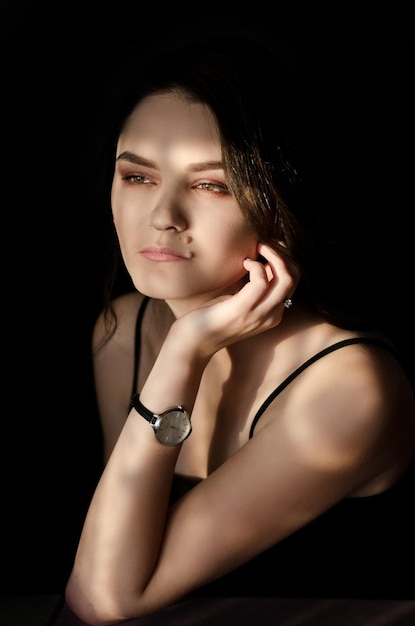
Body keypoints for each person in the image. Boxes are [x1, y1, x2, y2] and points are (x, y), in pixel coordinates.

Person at [65, 32, 415, 625]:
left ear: (279, 201)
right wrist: (183, 349)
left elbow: (106, 599)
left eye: (211, 185)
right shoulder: (122, 329)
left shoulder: (348, 389)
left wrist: (184, 352)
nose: (163, 218)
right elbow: (115, 555)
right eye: (137, 177)